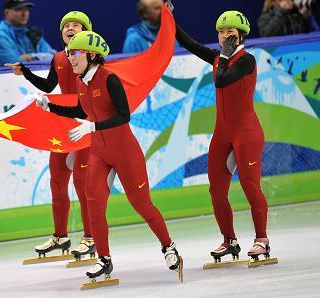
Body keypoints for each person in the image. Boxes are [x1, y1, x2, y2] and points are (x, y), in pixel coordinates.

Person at [35, 31, 182, 279]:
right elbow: (80, 110)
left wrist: (94, 126)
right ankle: (104, 259)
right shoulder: (82, 81)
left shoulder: (110, 79)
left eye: (75, 53)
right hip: (99, 154)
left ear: (91, 55)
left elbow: (124, 116)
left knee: (142, 204)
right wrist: (51, 107)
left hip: (125, 152)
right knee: (94, 205)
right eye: (69, 53)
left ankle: (169, 246)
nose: (70, 58)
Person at [174, 11, 271, 261]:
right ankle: (229, 241)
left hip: (246, 134)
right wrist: (167, 17)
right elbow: (189, 44)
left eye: (230, 32)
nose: (225, 36)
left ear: (241, 36)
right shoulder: (220, 57)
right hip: (222, 135)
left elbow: (222, 80)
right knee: (216, 191)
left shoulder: (246, 60)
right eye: (221, 32)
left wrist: (226, 55)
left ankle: (262, 240)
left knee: (250, 187)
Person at [4, 11, 95, 260]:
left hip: (83, 124)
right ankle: (61, 236)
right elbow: (48, 86)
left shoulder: (92, 57)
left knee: (82, 182)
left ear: (86, 32)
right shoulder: (57, 57)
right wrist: (26, 72)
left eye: (76, 25)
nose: (70, 29)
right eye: (66, 25)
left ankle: (90, 237)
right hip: (61, 126)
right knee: (57, 179)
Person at [0, 0, 54, 67]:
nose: (24, 14)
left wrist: (32, 56)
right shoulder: (0, 37)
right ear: (6, 13)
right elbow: (18, 67)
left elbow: (54, 57)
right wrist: (42, 58)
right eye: (18, 9)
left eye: (26, 9)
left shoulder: (32, 33)